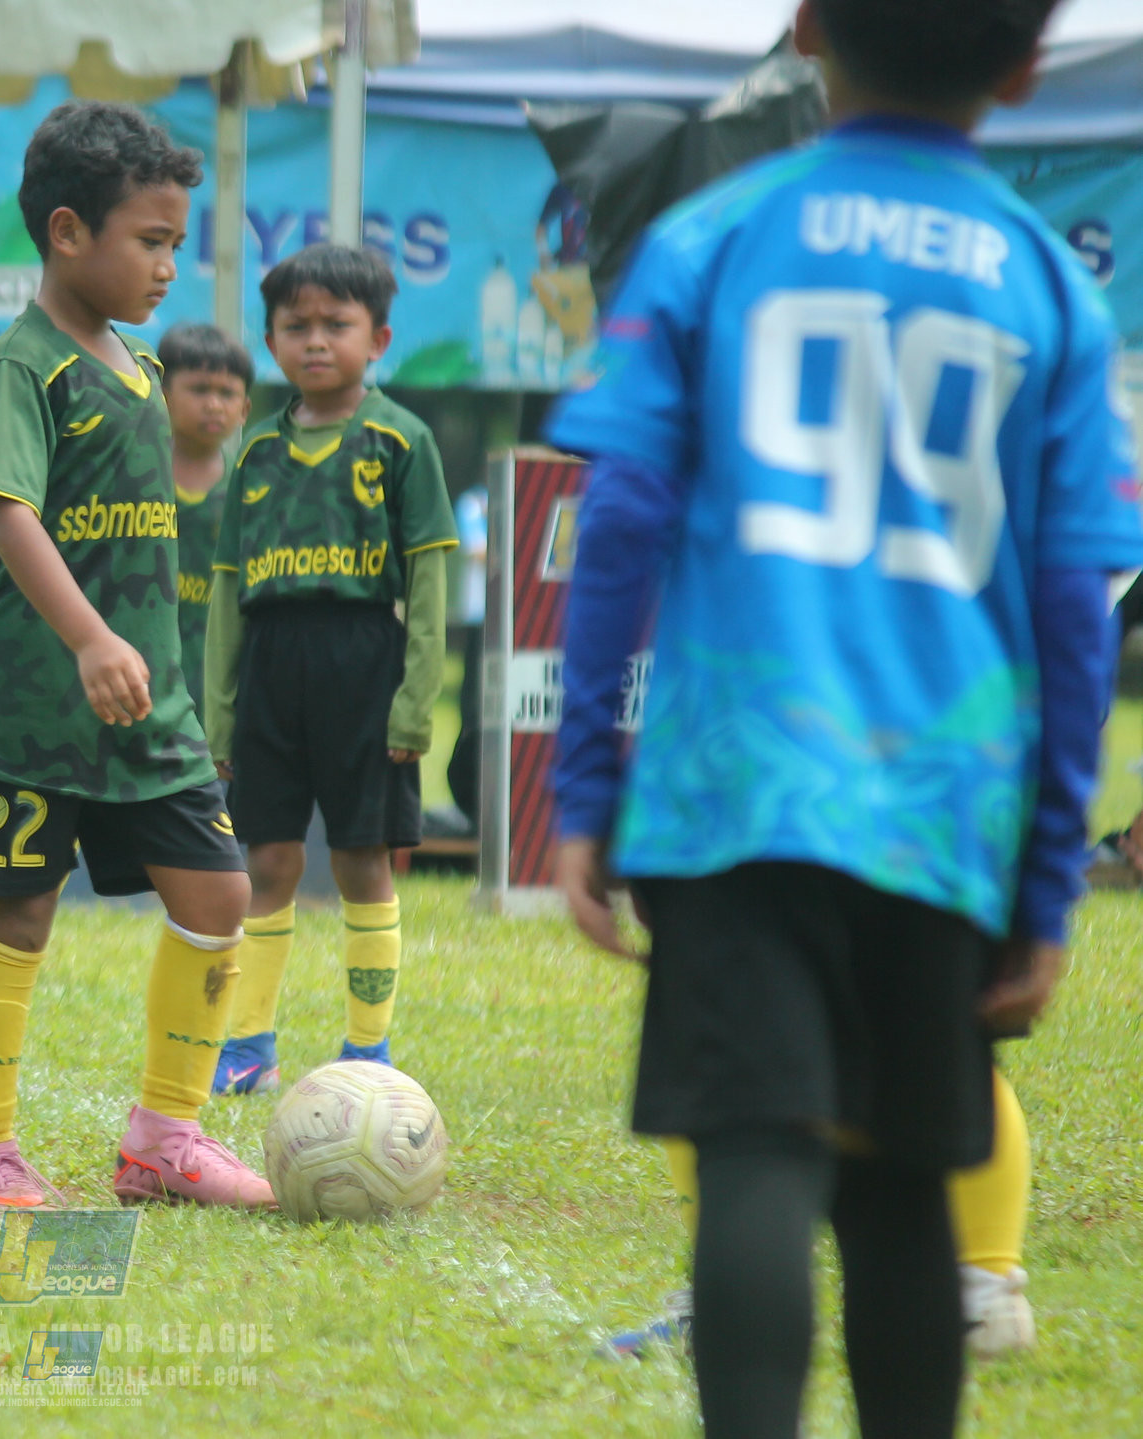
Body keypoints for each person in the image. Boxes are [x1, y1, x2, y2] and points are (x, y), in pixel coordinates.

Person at [547, 0, 1143, 1434]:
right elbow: (1077, 600)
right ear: (1020, 64)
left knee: (753, 1154)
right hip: (942, 809)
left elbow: (616, 519)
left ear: (805, 31)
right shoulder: (1043, 283)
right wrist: (1049, 869)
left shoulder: (709, 238)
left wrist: (582, 785)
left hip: (730, 789)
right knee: (896, 1193)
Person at [0, 99, 271, 1212]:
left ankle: (164, 1136)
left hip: (148, 712)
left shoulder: (139, 368)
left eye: (178, 243)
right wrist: (86, 639)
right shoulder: (20, 367)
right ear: (68, 232)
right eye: (150, 240)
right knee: (18, 912)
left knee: (218, 892)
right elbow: (7, 514)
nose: (168, 265)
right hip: (34, 705)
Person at [200, 243, 458, 1096]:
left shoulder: (401, 440)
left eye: (336, 325)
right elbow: (229, 592)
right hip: (273, 668)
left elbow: (427, 579)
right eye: (295, 326)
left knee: (361, 859)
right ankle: (249, 1046)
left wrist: (416, 699)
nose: (316, 342)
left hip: (364, 666)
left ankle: (367, 1050)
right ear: (270, 340)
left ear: (377, 337)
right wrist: (220, 713)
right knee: (265, 861)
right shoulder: (255, 455)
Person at [158, 323, 255, 718]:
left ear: (245, 408)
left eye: (227, 393)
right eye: (199, 390)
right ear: (162, 396)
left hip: (219, 696)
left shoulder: (252, 493)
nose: (214, 404)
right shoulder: (133, 482)